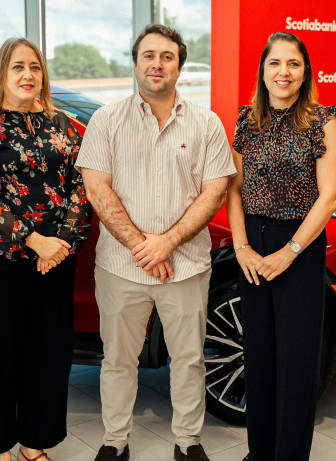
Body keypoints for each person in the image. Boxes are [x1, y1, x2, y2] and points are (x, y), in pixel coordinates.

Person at [76, 24, 236, 461]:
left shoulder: (206, 123)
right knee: (117, 362)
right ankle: (115, 441)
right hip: (119, 266)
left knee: (188, 360)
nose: (157, 64)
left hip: (185, 265)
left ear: (180, 65)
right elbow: (97, 188)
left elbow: (215, 190)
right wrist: (142, 246)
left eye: (167, 56)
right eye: (148, 55)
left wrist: (167, 242)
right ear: (135, 63)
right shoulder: (106, 121)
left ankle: (187, 442)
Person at [0, 37, 92, 461]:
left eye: (34, 67)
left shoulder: (65, 125)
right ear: (3, 73)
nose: (28, 75)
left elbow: (81, 186)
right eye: (18, 67)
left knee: (49, 357)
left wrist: (63, 244)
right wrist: (35, 241)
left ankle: (34, 446)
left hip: (54, 260)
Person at [226, 32, 336, 461]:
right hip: (252, 250)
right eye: (275, 63)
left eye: (293, 64)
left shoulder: (323, 119)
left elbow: (329, 196)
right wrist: (241, 248)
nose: (283, 72)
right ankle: (259, 454)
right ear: (263, 70)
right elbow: (234, 190)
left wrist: (289, 251)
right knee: (258, 359)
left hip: (300, 246)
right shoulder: (245, 121)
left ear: (305, 71)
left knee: (296, 366)